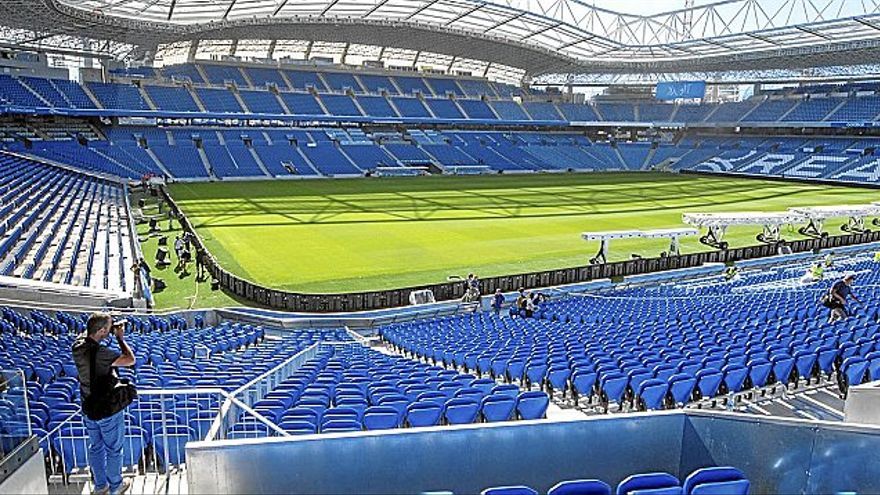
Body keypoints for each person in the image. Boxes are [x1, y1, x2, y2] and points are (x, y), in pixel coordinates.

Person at [72, 313, 136, 495]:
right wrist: (120, 338)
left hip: (88, 406)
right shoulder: (100, 353)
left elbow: (89, 332)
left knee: (96, 447)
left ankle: (100, 486)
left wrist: (105, 326)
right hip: (106, 409)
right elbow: (130, 359)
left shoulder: (77, 346)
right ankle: (116, 486)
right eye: (107, 328)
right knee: (114, 449)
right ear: (100, 330)